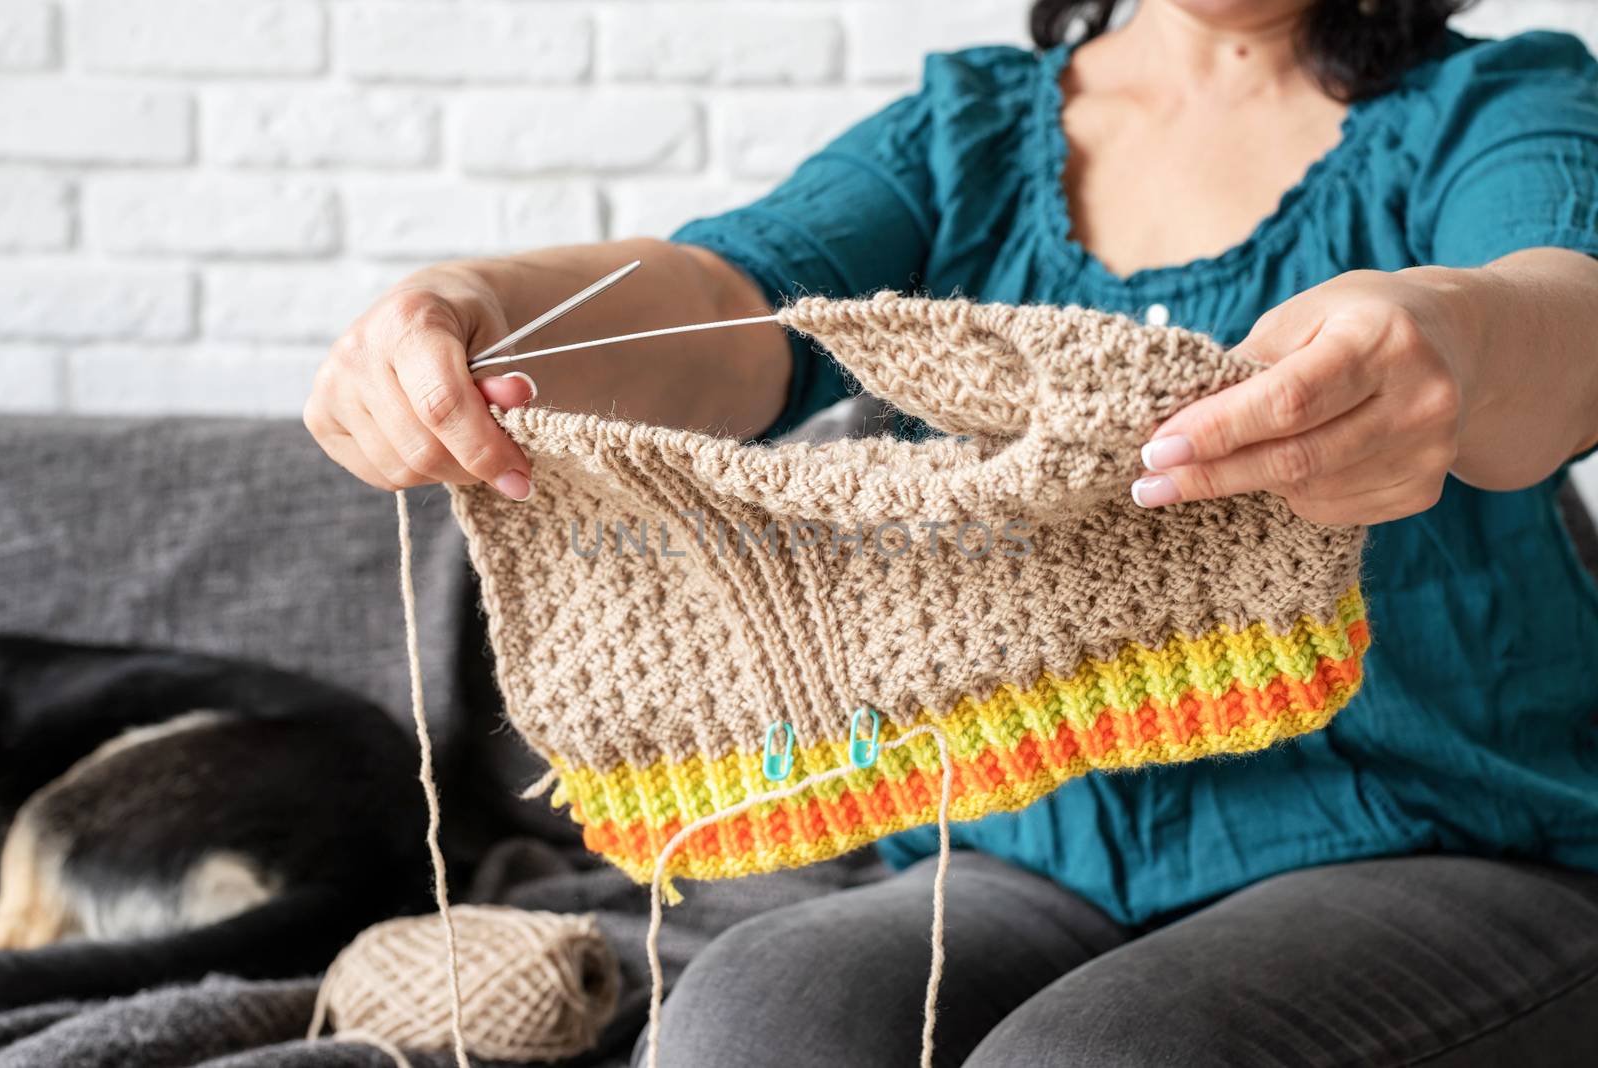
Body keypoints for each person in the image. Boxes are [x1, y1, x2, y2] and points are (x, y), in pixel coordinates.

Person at [306, 0, 1598, 1063]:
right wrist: (469, 308)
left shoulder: (1495, 107)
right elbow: (730, 302)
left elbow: (1562, 312)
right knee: (749, 1025)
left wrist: (1455, 337)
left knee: (1104, 1053)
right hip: (1015, 844)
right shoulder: (969, 133)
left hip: (1451, 842)